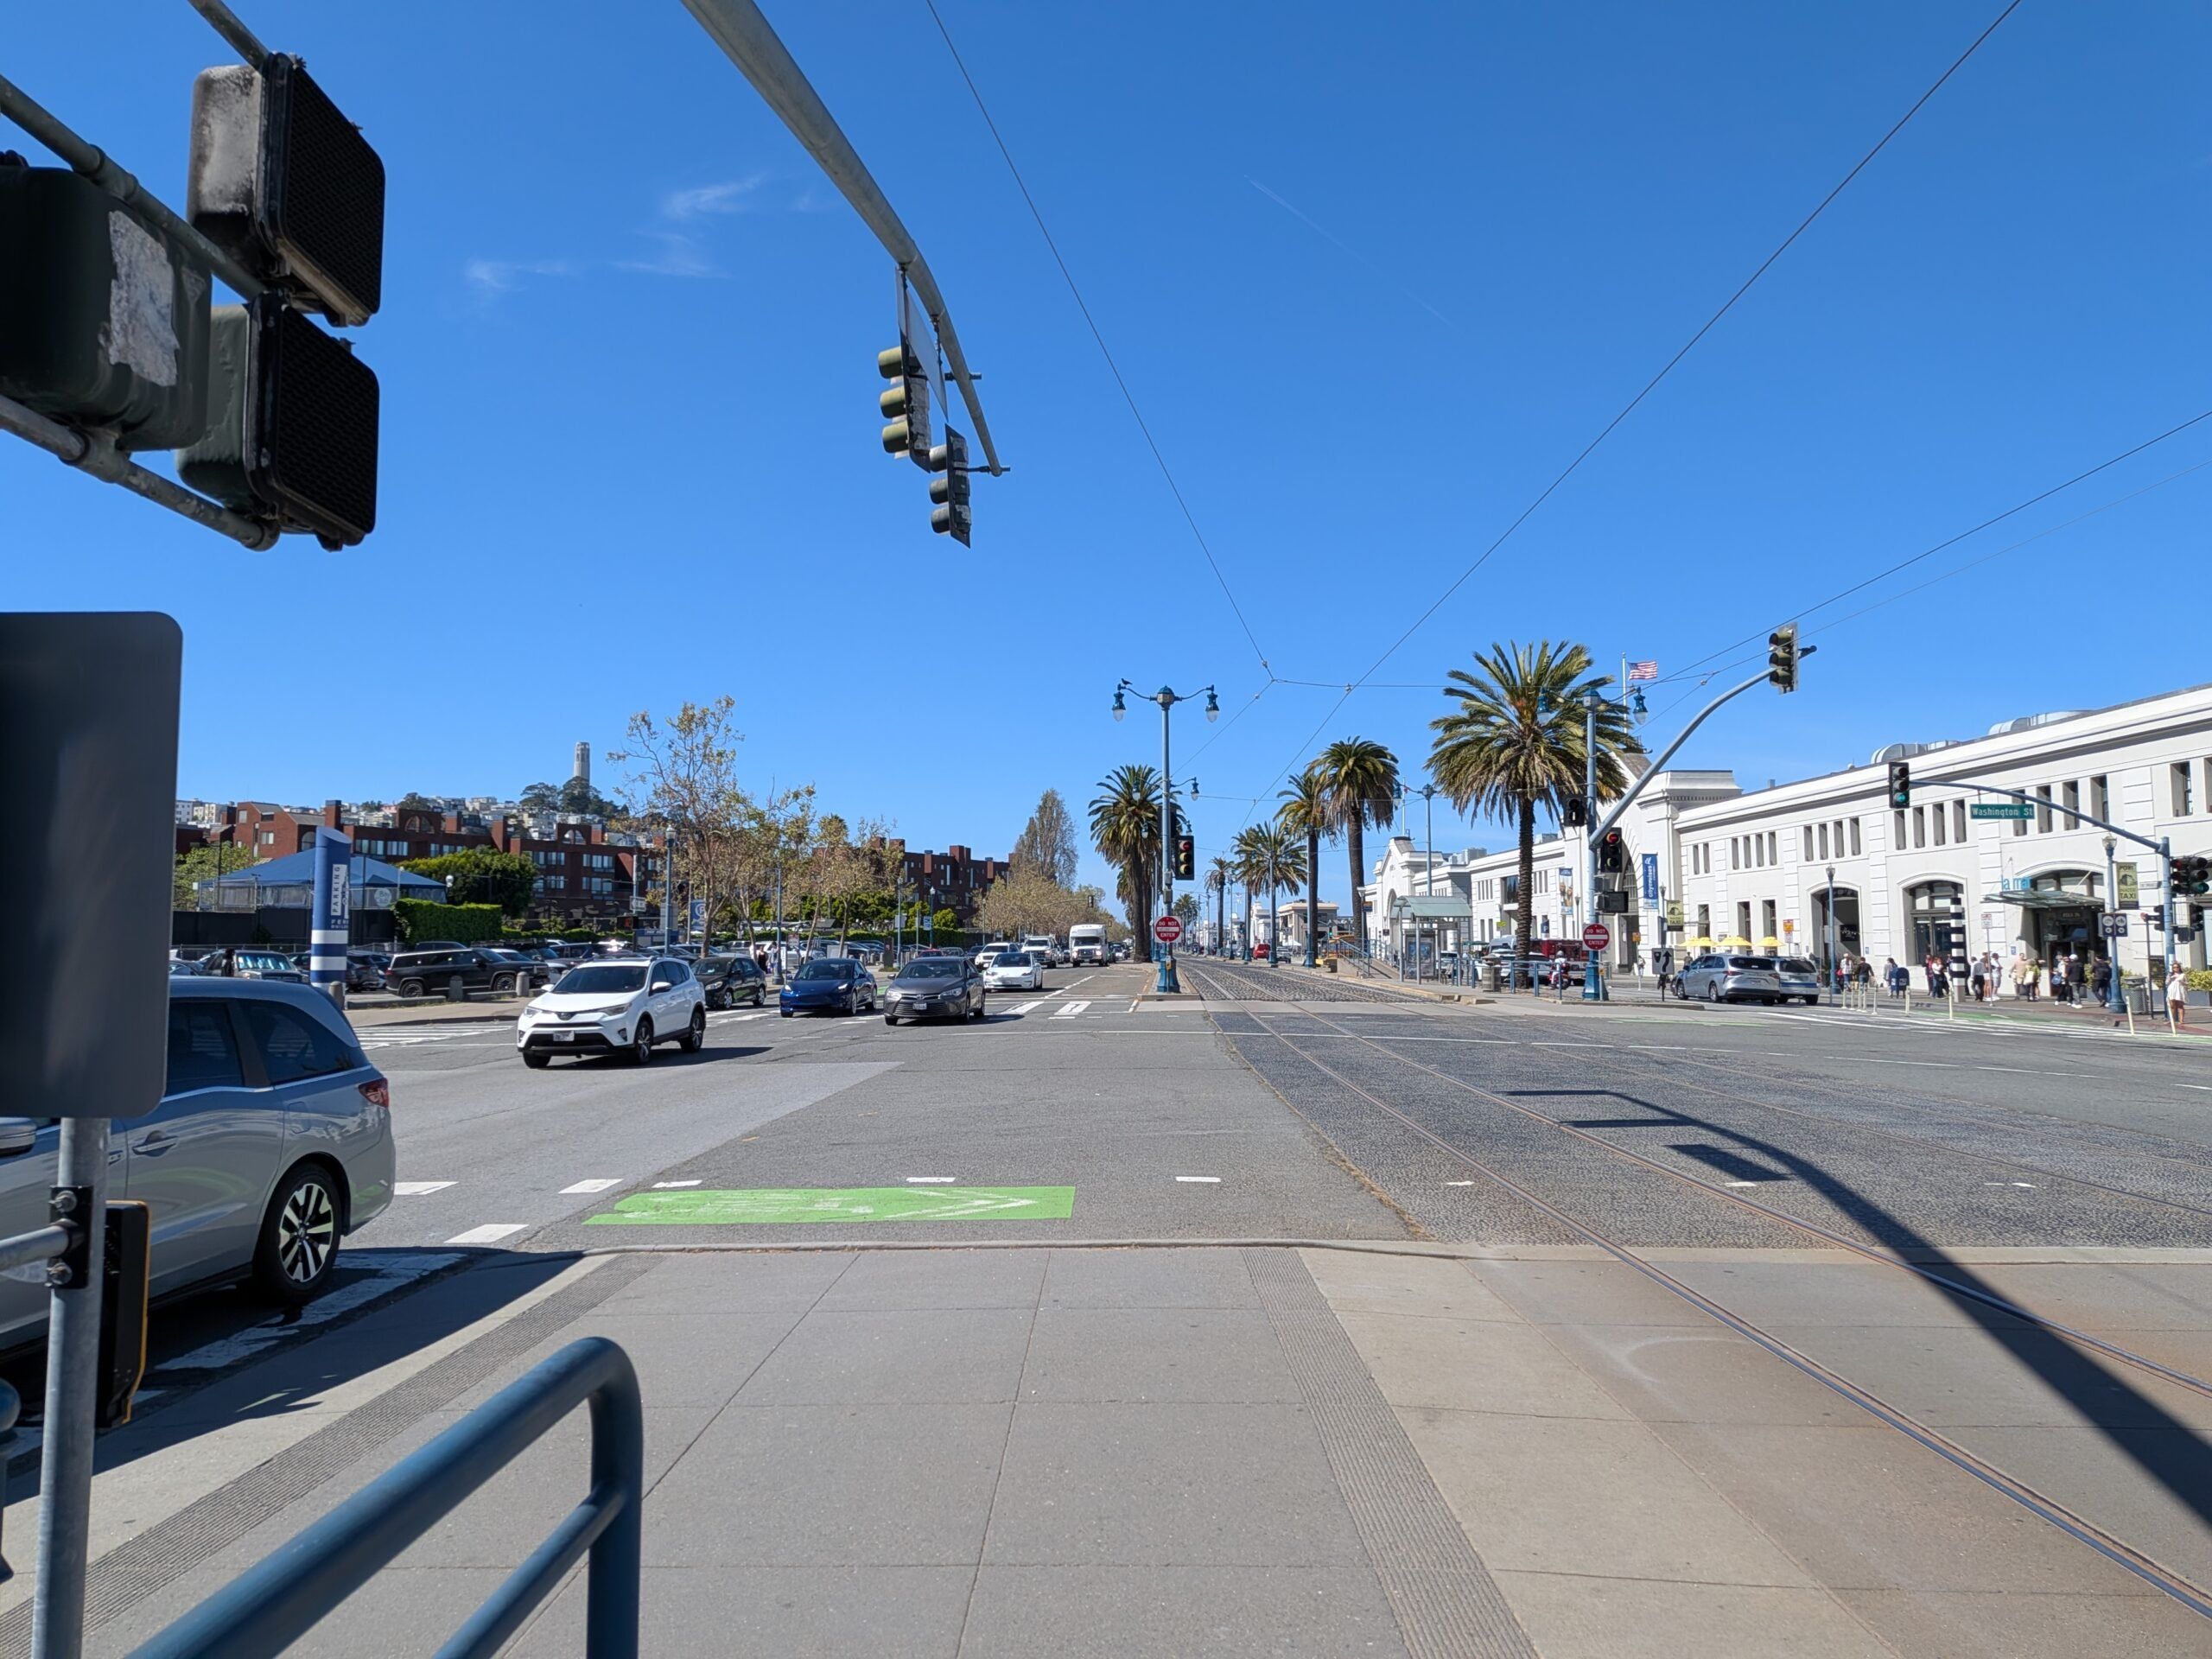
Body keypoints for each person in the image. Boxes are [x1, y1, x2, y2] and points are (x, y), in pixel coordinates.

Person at [2168, 962, 2190, 1030]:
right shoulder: (2170, 975)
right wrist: (2170, 978)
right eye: (2174, 967)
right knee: (2172, 1005)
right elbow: (2167, 982)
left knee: (2180, 1005)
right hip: (2172, 990)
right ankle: (2172, 1020)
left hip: (2180, 990)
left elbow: (2187, 983)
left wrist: (2181, 981)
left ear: (2179, 968)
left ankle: (2181, 1020)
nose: (2175, 968)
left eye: (2177, 967)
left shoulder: (2183, 975)